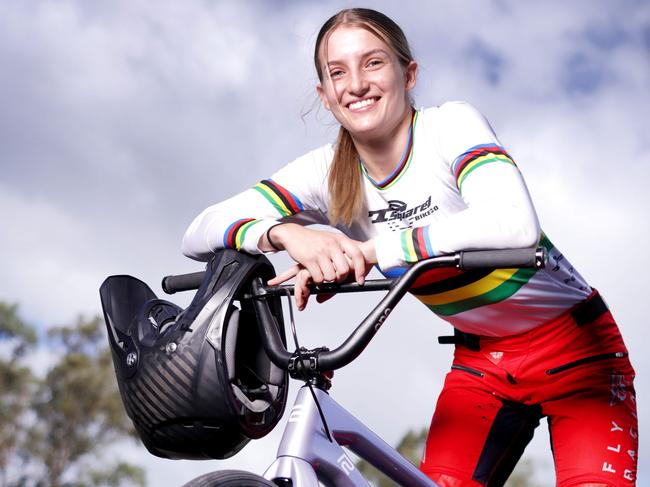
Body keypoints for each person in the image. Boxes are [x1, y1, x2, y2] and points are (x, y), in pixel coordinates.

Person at [181, 8, 637, 487]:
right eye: (338, 72)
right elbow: (198, 231)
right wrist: (286, 234)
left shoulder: (448, 127)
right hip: (482, 365)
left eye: (373, 63)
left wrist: (369, 251)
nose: (355, 84)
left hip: (581, 352)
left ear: (409, 73)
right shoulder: (323, 174)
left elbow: (513, 224)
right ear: (325, 96)